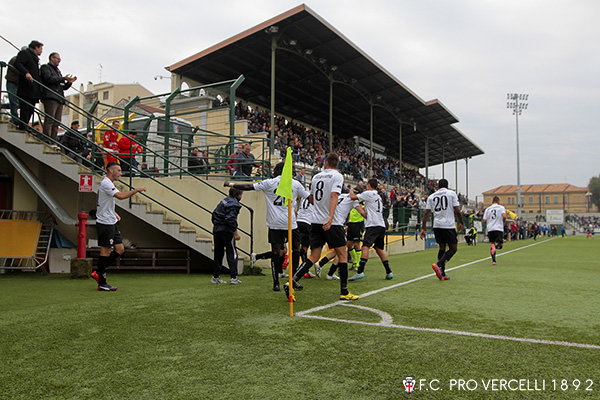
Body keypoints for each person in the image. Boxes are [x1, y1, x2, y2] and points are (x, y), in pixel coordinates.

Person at [225, 161, 310, 292]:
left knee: (276, 253)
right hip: (290, 223)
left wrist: (231, 184)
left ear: (277, 171)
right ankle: (292, 280)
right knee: (296, 250)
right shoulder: (295, 184)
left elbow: (249, 187)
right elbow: (310, 198)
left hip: (274, 223)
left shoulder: (269, 182)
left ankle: (276, 283)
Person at [293, 153, 359, 301]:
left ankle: (291, 282)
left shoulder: (316, 177)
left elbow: (311, 198)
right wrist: (329, 218)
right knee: (342, 255)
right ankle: (344, 291)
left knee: (314, 256)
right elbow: (334, 196)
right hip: (332, 223)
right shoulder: (337, 176)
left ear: (327, 162)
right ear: (335, 163)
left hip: (314, 221)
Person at [91, 161, 147, 291]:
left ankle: (99, 272)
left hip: (111, 221)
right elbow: (120, 196)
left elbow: (104, 201)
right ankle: (102, 282)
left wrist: (113, 212)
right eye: (119, 170)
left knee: (120, 249)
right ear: (111, 171)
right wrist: (136, 190)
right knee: (106, 250)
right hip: (105, 223)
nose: (120, 173)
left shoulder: (108, 184)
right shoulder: (106, 183)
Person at [348, 179, 394, 281]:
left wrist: (351, 190)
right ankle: (389, 272)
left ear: (369, 185)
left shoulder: (369, 193)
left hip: (373, 225)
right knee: (379, 249)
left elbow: (352, 197)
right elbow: (367, 212)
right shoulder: (378, 196)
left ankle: (360, 272)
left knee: (365, 247)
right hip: (381, 225)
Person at [419, 178, 464, 280]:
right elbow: (457, 209)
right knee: (453, 248)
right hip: (448, 225)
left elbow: (426, 213)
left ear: (438, 186)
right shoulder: (451, 193)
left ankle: (442, 273)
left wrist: (423, 228)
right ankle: (439, 265)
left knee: (442, 248)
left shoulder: (431, 196)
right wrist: (461, 222)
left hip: (437, 225)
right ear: (447, 186)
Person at [40, 52, 76, 142]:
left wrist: (69, 82)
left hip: (59, 98)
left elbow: (62, 87)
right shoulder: (45, 68)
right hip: (50, 96)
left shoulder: (57, 71)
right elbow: (49, 79)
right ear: (51, 58)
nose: (59, 61)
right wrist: (63, 78)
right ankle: (47, 138)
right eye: (57, 59)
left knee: (56, 122)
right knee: (50, 119)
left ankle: (53, 140)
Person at [211, 187, 243, 284]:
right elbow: (230, 219)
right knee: (232, 252)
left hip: (217, 229)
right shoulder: (234, 204)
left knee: (218, 253)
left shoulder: (224, 201)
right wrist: (235, 232)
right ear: (238, 195)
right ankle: (233, 277)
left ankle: (215, 276)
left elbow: (214, 214)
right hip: (226, 230)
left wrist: (217, 225)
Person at [14, 40, 43, 130]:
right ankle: (22, 126)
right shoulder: (25, 53)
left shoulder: (35, 58)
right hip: (26, 87)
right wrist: (26, 73)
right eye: (41, 48)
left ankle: (24, 125)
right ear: (36, 47)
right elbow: (17, 63)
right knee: (25, 108)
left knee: (30, 109)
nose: (41, 51)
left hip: (33, 89)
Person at [483, 196, 506, 266]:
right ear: (498, 201)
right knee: (500, 245)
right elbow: (504, 216)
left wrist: (490, 221)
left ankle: (494, 261)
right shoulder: (501, 207)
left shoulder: (488, 209)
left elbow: (484, 220)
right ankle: (495, 247)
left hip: (490, 228)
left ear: (492, 202)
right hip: (498, 228)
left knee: (492, 243)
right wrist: (503, 222)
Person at [4, 54, 21, 125]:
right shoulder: (16, 59)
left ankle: (1, 106)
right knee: (14, 102)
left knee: (16, 103)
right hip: (12, 82)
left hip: (17, 83)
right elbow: (17, 69)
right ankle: (15, 119)